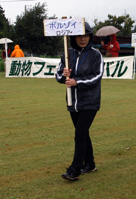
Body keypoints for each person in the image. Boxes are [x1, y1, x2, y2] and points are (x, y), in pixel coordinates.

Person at [55, 22, 104, 181]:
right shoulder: (67, 53)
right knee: (83, 133)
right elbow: (58, 76)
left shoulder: (96, 55)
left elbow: (97, 76)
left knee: (80, 134)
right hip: (72, 101)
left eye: (86, 35)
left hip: (90, 101)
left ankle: (75, 168)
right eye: (79, 35)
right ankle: (90, 163)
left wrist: (77, 81)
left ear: (90, 37)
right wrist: (64, 75)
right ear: (73, 37)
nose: (83, 39)